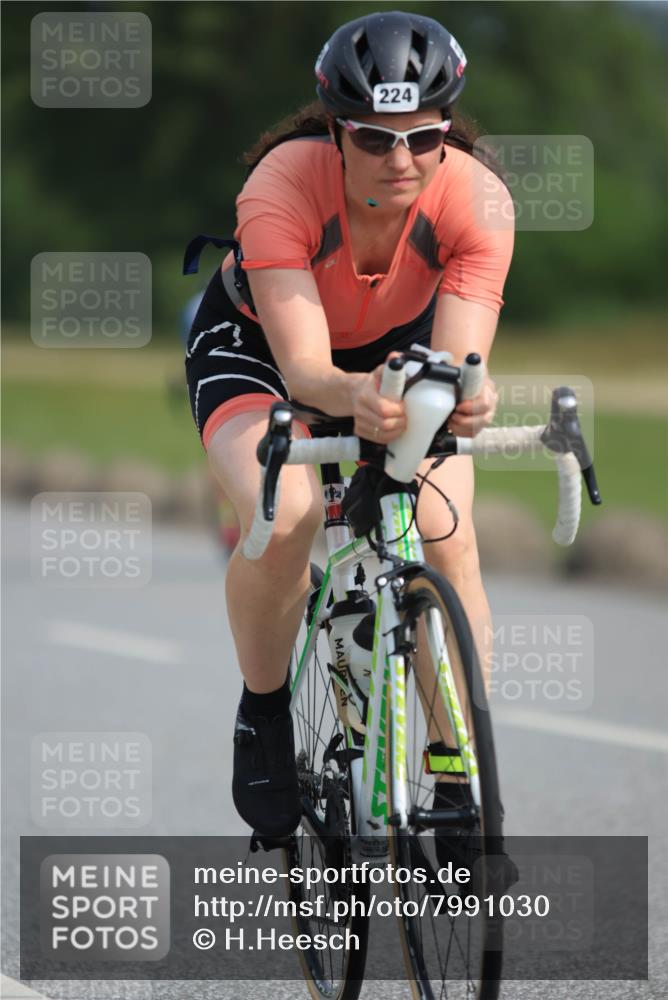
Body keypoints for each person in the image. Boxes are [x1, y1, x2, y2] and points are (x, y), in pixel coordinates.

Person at [183, 10, 514, 838]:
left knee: (449, 530)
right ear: (336, 131)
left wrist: (470, 397)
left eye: (423, 136)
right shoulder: (280, 184)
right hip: (260, 346)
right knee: (287, 512)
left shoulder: (479, 200)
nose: (400, 159)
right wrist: (353, 398)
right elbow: (307, 372)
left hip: (394, 352)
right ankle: (263, 716)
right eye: (373, 139)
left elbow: (463, 358)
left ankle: (455, 772)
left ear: (446, 130)